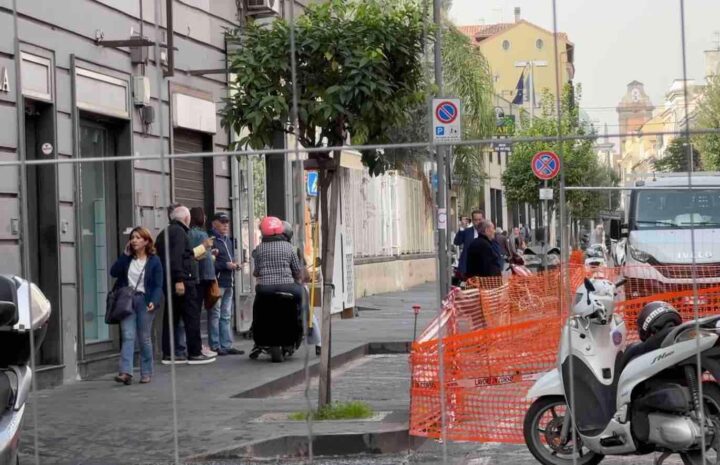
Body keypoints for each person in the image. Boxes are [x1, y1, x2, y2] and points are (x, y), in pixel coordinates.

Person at [156, 206, 215, 365]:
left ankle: (170, 353)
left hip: (169, 281)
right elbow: (177, 258)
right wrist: (180, 280)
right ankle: (194, 352)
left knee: (172, 318)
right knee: (191, 317)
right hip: (183, 282)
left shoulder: (165, 233)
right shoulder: (180, 233)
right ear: (186, 218)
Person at [110, 227, 164, 385]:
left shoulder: (154, 261)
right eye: (133, 237)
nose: (134, 240)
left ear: (146, 241)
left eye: (138, 237)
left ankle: (146, 372)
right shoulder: (127, 259)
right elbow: (113, 272)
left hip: (145, 301)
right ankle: (125, 372)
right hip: (127, 301)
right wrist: (124, 256)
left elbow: (157, 284)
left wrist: (153, 300)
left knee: (144, 338)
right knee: (128, 336)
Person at [281, 220, 321, 356]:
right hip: (290, 287)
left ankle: (318, 341)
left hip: (285, 286)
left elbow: (303, 273)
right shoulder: (292, 250)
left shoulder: (292, 250)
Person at [208, 212, 244, 356]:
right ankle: (215, 345)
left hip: (229, 282)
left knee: (226, 315)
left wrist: (235, 264)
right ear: (214, 224)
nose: (225, 225)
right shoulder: (211, 240)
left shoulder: (227, 240)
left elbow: (226, 260)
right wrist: (226, 265)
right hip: (217, 282)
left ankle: (226, 345)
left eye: (227, 222)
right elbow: (209, 263)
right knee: (216, 314)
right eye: (222, 222)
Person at [188, 207, 221, 358]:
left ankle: (198, 346)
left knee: (195, 312)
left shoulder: (189, 233)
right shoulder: (200, 234)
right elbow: (197, 254)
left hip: (197, 276)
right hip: (202, 277)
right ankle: (197, 348)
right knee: (197, 313)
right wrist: (209, 253)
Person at [453, 210, 484, 278]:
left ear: (483, 219)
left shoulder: (487, 232)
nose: (478, 222)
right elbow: (457, 242)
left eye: (480, 220)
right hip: (468, 267)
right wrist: (462, 228)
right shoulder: (467, 231)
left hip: (483, 267)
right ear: (472, 221)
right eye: (476, 220)